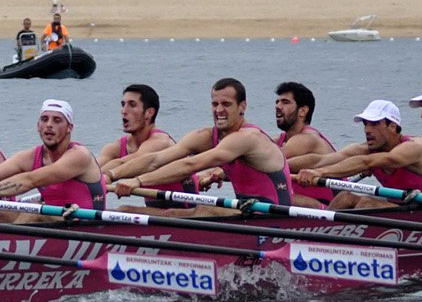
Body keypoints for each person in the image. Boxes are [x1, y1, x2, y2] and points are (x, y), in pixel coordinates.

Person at [112, 78, 292, 211]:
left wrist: (137, 181)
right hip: (247, 211)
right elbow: (155, 159)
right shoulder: (206, 136)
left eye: (226, 104)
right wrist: (110, 175)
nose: (219, 110)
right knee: (126, 211)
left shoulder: (247, 137)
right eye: (215, 104)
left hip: (272, 216)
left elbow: (190, 164)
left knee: (200, 211)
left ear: (242, 106)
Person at [0, 99, 105, 223]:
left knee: (34, 215)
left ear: (69, 128)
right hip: (56, 222)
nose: (49, 125)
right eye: (44, 119)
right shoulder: (31, 156)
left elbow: (29, 180)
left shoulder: (79, 155)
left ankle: (5, 252)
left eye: (57, 120)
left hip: (84, 224)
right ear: (37, 126)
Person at [291, 100, 422, 210]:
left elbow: (368, 162)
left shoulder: (415, 147)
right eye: (365, 124)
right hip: (399, 208)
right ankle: (320, 233)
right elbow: (320, 160)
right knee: (344, 197)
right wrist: (282, 166)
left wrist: (320, 173)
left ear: (392, 126)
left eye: (374, 124)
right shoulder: (366, 149)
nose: (367, 130)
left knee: (367, 203)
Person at [96, 83, 201, 202]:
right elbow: (93, 169)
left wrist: (108, 175)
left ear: (149, 113)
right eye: (123, 104)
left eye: (132, 105)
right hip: (156, 209)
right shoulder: (115, 147)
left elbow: (130, 162)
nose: (124, 111)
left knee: (124, 208)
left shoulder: (161, 142)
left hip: (185, 207)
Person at [273, 81, 337, 208]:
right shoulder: (279, 140)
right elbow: (257, 150)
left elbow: (268, 161)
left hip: (333, 207)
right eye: (277, 102)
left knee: (280, 198)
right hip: (302, 208)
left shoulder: (308, 138)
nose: (278, 106)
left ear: (302, 111)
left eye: (285, 102)